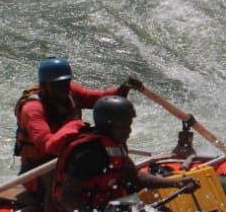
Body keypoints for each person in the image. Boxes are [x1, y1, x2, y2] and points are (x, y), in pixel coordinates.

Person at [50, 95, 197, 212]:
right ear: (110, 125)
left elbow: (136, 178)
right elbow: (68, 199)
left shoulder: (115, 145)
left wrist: (177, 183)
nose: (130, 130)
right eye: (126, 125)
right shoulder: (87, 154)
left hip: (104, 211)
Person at [13, 56, 142, 203]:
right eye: (58, 85)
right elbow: (49, 146)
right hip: (37, 170)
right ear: (44, 85)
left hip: (68, 159)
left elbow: (100, 99)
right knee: (55, 179)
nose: (63, 88)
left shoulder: (69, 91)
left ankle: (128, 195)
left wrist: (124, 88)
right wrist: (74, 125)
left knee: (108, 157)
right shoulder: (32, 109)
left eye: (66, 82)